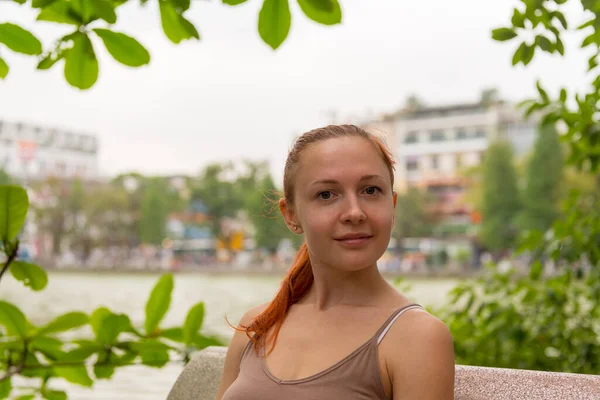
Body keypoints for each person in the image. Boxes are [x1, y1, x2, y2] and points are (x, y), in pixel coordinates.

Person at [216, 125, 455, 400]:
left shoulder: (417, 336)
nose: (354, 213)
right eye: (326, 195)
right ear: (291, 215)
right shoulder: (258, 326)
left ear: (393, 205)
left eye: (370, 190)